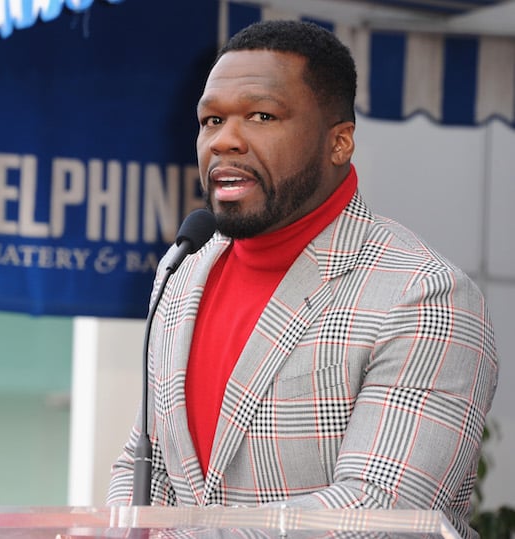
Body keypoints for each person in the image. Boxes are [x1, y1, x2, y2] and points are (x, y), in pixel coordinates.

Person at [106, 19, 498, 539]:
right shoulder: (182, 273)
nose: (226, 140)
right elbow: (145, 462)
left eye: (262, 116)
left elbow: (377, 513)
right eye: (211, 120)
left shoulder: (423, 296)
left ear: (339, 143)